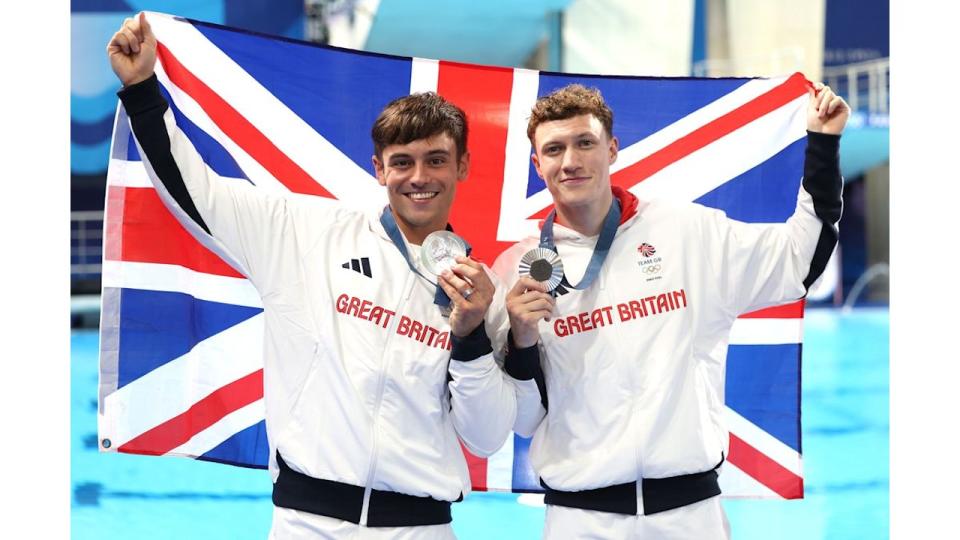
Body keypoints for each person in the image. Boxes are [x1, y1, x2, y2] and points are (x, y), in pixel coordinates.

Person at [107, 12, 539, 539]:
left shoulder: (478, 290)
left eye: (436, 160)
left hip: (421, 528)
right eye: (402, 162)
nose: (419, 178)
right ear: (379, 169)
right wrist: (144, 90)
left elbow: (487, 436)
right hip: (308, 523)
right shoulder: (305, 233)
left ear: (463, 166)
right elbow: (199, 195)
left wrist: (470, 339)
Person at [495, 82, 848, 538]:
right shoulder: (519, 271)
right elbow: (522, 416)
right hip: (580, 520)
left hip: (688, 515)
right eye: (554, 149)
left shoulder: (687, 233)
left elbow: (800, 260)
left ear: (613, 148)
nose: (571, 161)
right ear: (537, 163)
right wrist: (519, 344)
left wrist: (822, 145)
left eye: (585, 143)